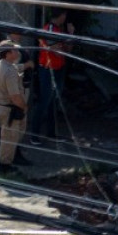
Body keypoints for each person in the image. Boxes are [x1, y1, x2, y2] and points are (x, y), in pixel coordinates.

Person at [29, 9, 73, 141]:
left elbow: (67, 50)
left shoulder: (59, 30)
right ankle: (34, 135)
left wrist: (70, 34)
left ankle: (51, 133)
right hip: (48, 69)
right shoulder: (49, 29)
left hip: (59, 68)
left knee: (54, 101)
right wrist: (65, 43)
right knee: (44, 101)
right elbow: (59, 52)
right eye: (64, 15)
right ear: (62, 15)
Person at [0, 39, 29, 174]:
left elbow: (14, 68)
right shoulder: (10, 72)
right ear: (7, 53)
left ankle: (4, 156)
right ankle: (3, 166)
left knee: (10, 137)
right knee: (10, 138)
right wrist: (24, 107)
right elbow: (15, 96)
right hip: (10, 109)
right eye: (14, 50)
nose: (17, 52)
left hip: (1, 107)